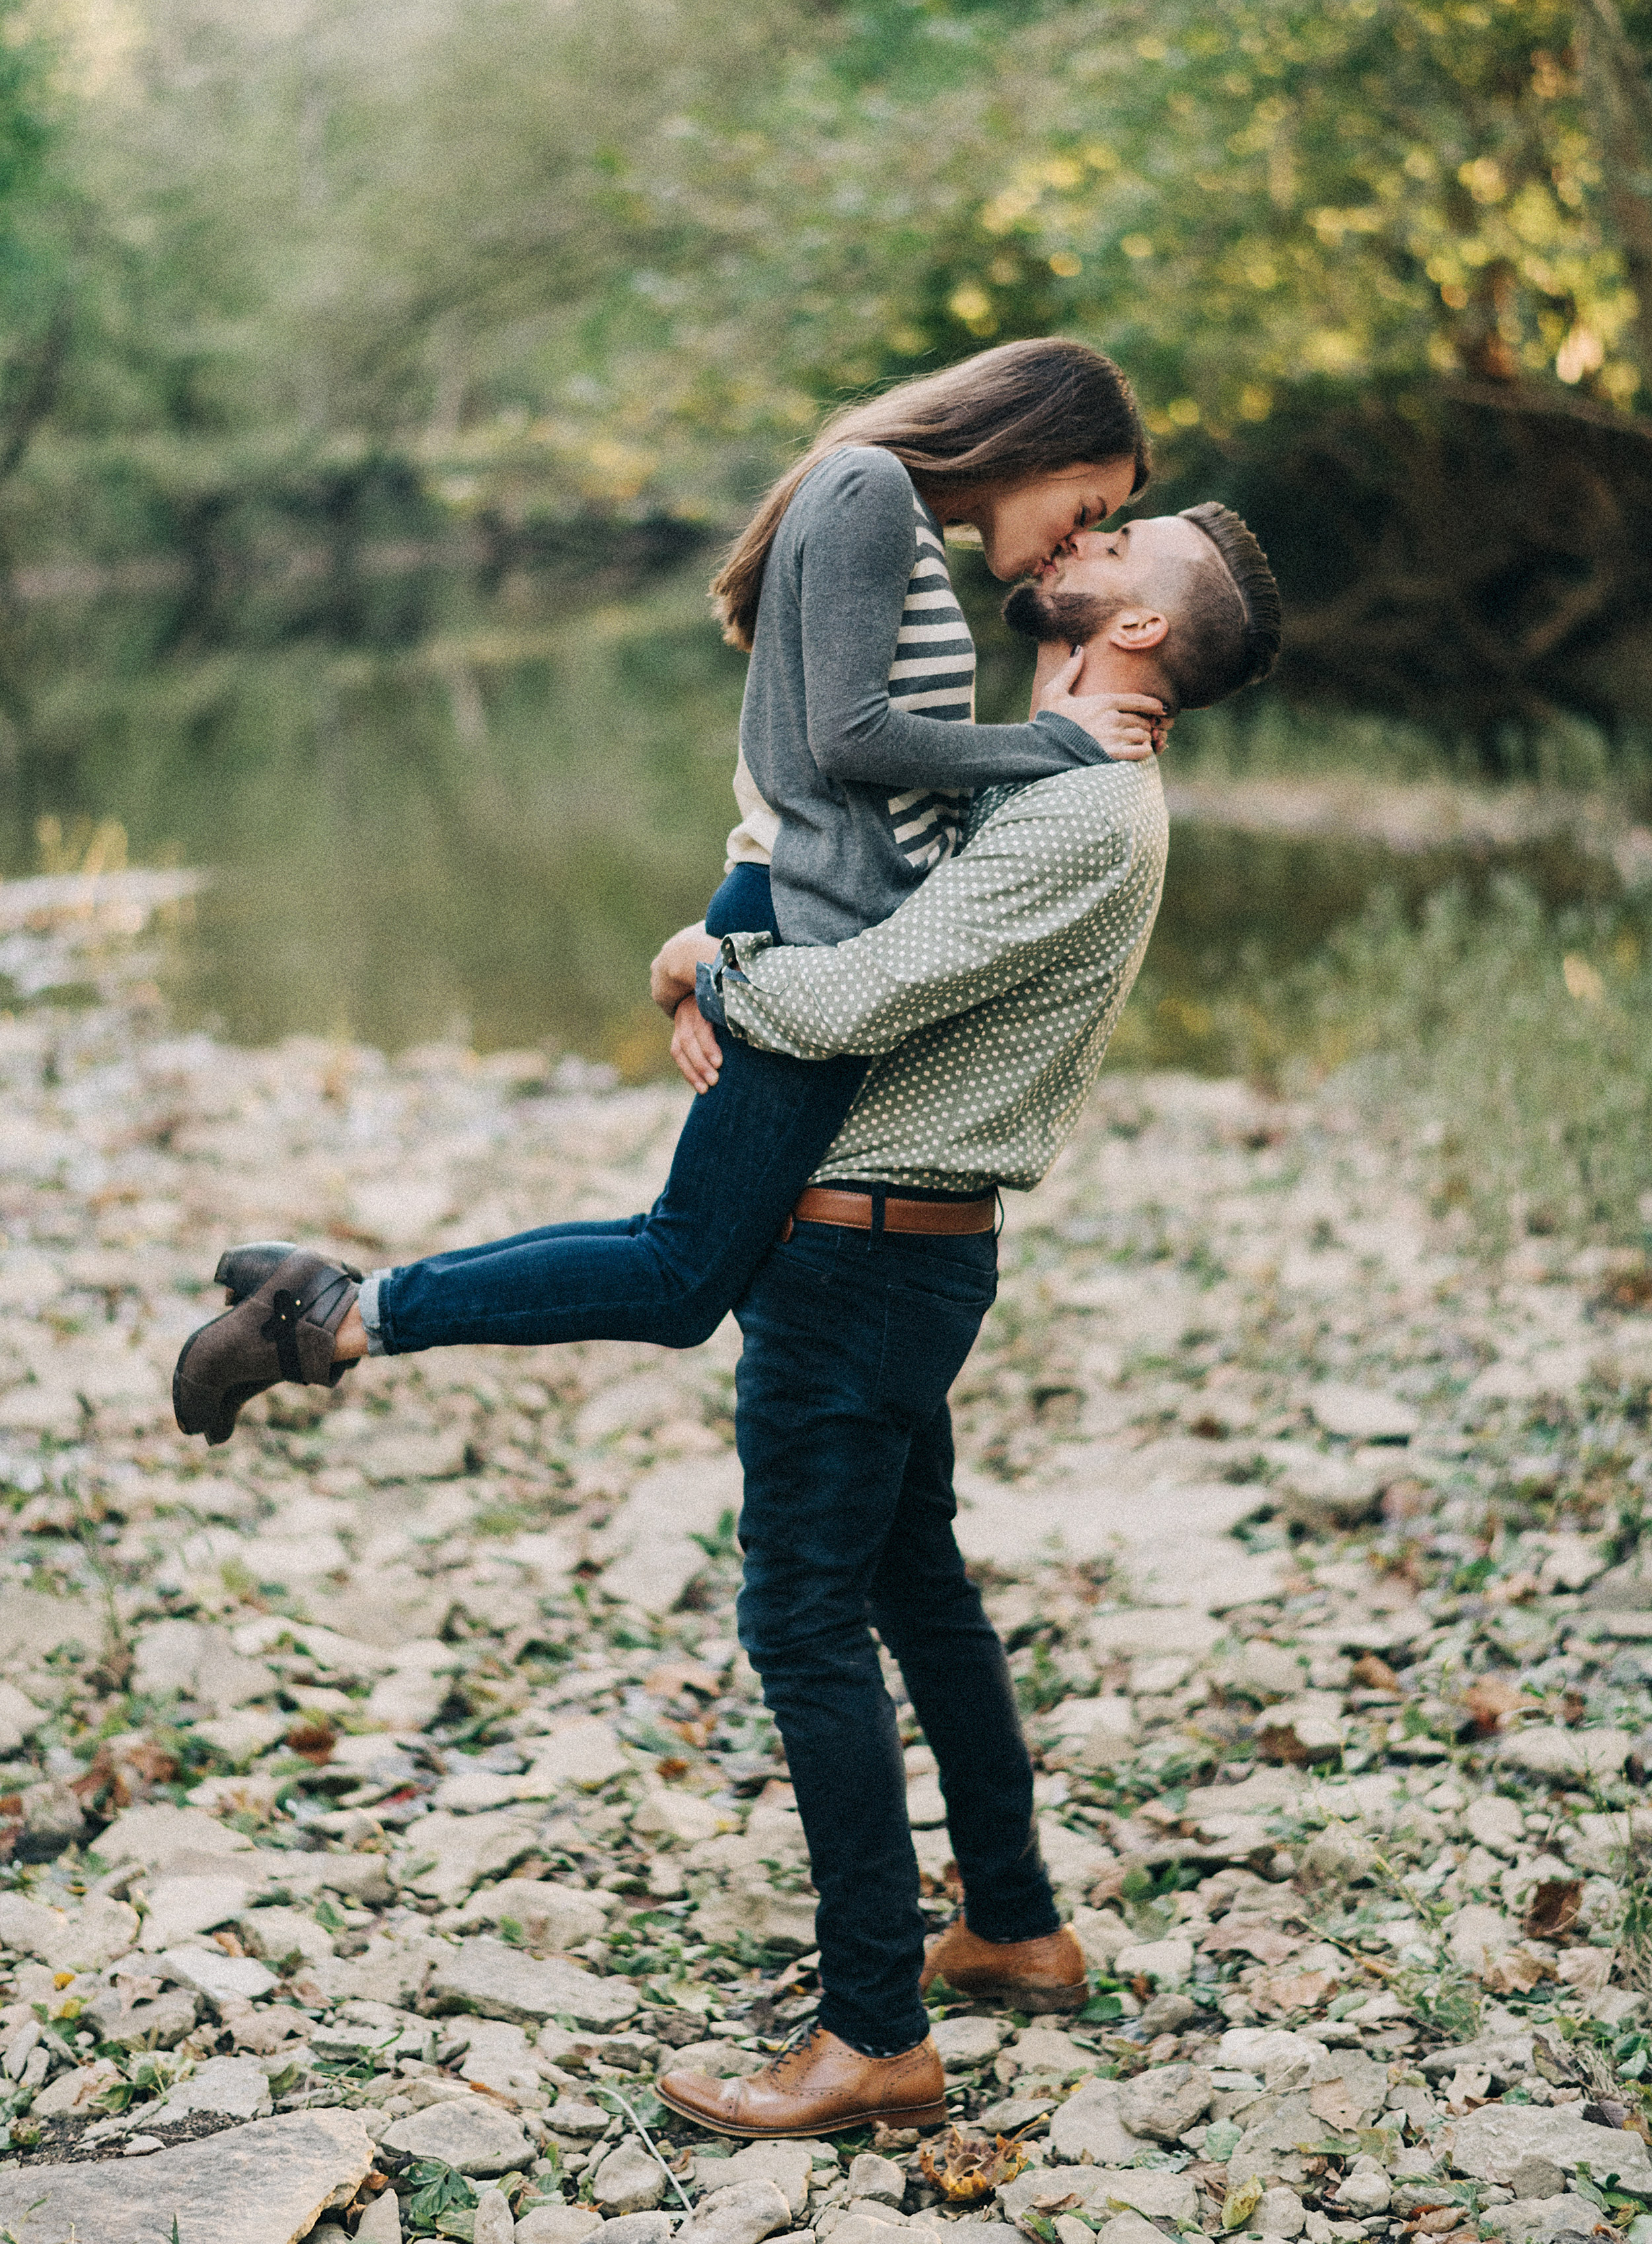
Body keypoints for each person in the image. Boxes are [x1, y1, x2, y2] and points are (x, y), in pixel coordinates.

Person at [171, 336, 1167, 1445]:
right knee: (681, 1271)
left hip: (797, 933)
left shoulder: (893, 515)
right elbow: (847, 741)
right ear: (1037, 441)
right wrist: (1050, 746)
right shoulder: (871, 490)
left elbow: (856, 783)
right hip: (799, 927)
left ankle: (337, 1306)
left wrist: (723, 961)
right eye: (1088, 503)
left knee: (688, 1267)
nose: (1076, 539)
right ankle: (331, 1315)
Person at [641, 500, 1283, 2138]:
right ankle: (1013, 1924)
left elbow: (859, 994)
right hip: (902, 1252)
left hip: (864, 1259)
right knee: (916, 1585)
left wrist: (699, 974)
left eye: (1114, 542)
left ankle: (873, 2034)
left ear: (1130, 629)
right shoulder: (1066, 783)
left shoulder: (1080, 814)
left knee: (800, 1623)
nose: (1081, 535)